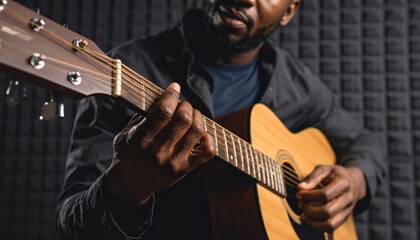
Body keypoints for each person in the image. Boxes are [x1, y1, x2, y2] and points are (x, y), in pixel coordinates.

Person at [55, 0, 385, 239]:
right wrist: (126, 190)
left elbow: (365, 143)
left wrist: (355, 180)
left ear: (289, 11)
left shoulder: (297, 83)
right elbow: (69, 224)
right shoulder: (127, 69)